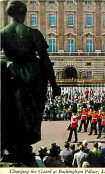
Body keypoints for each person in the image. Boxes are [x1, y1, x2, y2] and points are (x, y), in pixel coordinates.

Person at [0, 0, 61, 165]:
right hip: (32, 79)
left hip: (9, 77)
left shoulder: (2, 33)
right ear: (24, 14)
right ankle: (23, 145)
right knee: (29, 114)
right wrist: (54, 84)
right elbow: (46, 62)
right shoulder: (34, 34)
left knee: (9, 112)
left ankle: (9, 147)